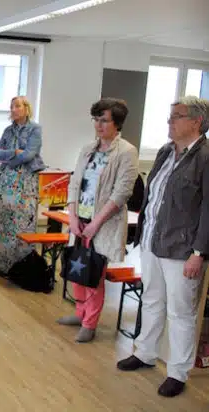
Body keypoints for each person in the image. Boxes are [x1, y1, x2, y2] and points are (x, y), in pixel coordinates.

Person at [117, 96, 209, 397]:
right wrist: (141, 234)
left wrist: (199, 252)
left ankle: (178, 372)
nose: (169, 122)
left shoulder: (205, 157)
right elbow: (153, 196)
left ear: (196, 122)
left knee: (181, 312)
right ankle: (145, 352)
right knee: (152, 300)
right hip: (153, 241)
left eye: (176, 117)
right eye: (170, 116)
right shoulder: (166, 151)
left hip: (183, 250)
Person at [57, 98, 139, 343]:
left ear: (117, 123)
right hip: (79, 218)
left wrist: (95, 223)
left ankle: (90, 322)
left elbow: (121, 193)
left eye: (104, 120)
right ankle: (80, 313)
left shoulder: (126, 152)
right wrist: (72, 216)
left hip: (102, 222)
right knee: (76, 266)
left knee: (94, 271)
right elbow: (74, 183)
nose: (98, 125)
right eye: (96, 119)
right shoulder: (87, 149)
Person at [0, 96, 45, 272]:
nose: (13, 110)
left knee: (20, 223)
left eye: (17, 106)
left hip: (25, 181)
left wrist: (10, 159)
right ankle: (1, 264)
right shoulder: (7, 131)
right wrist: (14, 152)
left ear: (26, 108)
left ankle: (20, 267)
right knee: (3, 220)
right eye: (12, 107)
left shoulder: (35, 129)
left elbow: (29, 155)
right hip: (6, 182)